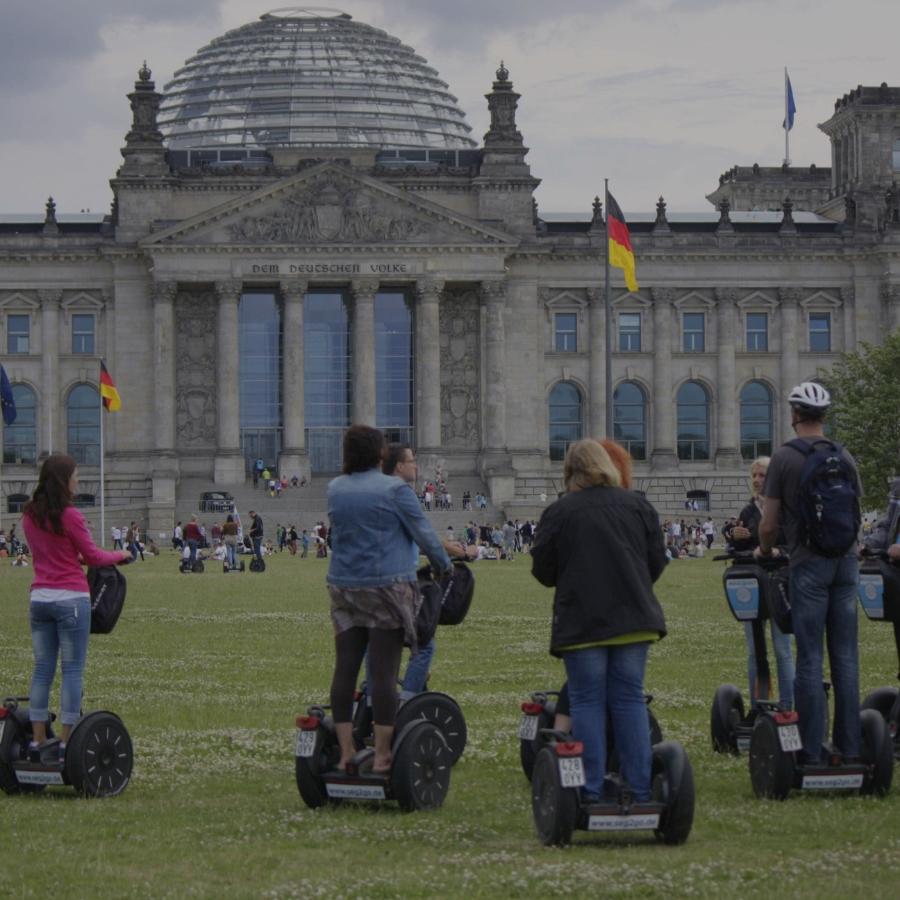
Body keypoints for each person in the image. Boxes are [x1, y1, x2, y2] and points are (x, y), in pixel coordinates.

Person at [531, 439, 667, 803]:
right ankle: (639, 790)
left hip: (582, 623)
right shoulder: (637, 505)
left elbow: (543, 570)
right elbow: (657, 561)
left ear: (569, 472)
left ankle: (590, 791)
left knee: (586, 701)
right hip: (633, 619)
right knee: (629, 700)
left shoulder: (561, 511)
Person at [327, 425, 454, 773]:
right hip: (385, 588)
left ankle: (346, 750)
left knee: (346, 668)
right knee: (383, 672)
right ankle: (383, 754)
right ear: (380, 454)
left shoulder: (335, 488)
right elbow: (425, 535)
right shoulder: (395, 490)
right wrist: (445, 567)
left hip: (343, 586)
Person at [756, 382, 862, 763]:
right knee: (846, 658)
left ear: (794, 415)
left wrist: (766, 549)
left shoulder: (784, 458)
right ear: (825, 416)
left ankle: (811, 751)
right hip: (846, 563)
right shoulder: (844, 455)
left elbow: (768, 524)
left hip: (808, 564)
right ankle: (851, 748)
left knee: (810, 656)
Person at [21, 454, 131, 762]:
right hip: (70, 599)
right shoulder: (70, 515)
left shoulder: (29, 515)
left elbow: (49, 553)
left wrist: (75, 558)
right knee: (72, 670)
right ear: (63, 480)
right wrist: (121, 555)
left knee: (42, 669)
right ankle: (67, 743)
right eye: (75, 476)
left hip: (40, 598)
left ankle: (38, 741)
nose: (78, 481)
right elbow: (94, 556)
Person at [724, 456, 795, 710]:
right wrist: (735, 537)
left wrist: (778, 552)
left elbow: (795, 545)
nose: (756, 480)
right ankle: (759, 707)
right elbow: (741, 547)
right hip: (753, 584)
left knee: (782, 649)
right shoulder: (749, 510)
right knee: (755, 651)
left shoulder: (788, 508)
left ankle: (787, 706)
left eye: (762, 475)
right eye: (754, 475)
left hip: (780, 582)